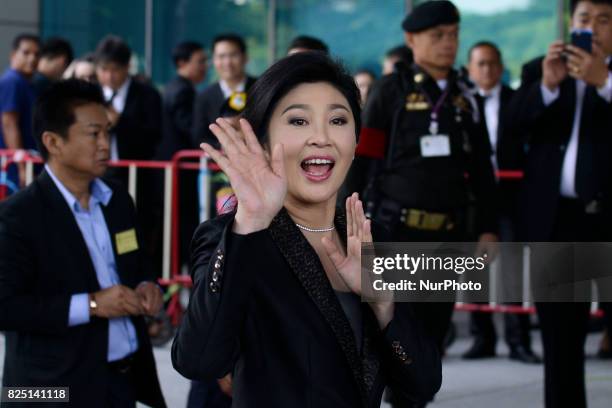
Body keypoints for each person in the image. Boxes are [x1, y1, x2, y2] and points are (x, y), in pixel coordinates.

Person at [172, 52, 441, 407]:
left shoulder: (374, 240)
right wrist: (250, 223)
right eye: (298, 121)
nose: (321, 137)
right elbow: (198, 360)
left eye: (338, 120)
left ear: (355, 142)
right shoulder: (236, 238)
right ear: (263, 141)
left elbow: (423, 384)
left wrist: (383, 303)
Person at [345, 2, 498, 405]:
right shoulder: (390, 91)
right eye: (438, 36)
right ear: (412, 40)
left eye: (453, 34)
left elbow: (483, 170)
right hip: (396, 235)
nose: (448, 44)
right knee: (388, 340)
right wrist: (345, 226)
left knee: (427, 347)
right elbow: (364, 161)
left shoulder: (465, 96)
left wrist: (487, 227)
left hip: (447, 238)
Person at [0, 79, 165, 407]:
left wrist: (148, 285)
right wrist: (91, 305)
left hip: (122, 379)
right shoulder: (19, 216)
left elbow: (136, 260)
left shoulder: (116, 198)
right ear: (53, 141)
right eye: (93, 134)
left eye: (107, 131)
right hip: (50, 390)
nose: (105, 144)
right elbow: (6, 307)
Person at [508, 0, 612, 406]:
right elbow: (510, 130)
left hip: (607, 220)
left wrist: (604, 82)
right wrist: (547, 89)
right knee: (562, 342)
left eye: (604, 20)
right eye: (585, 19)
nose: (593, 28)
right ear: (572, 23)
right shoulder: (542, 70)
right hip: (560, 223)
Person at [464, 41, 540, 364]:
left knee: (512, 268)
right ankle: (482, 338)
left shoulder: (515, 100)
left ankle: (518, 340)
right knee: (473, 268)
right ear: (470, 68)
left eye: (492, 63)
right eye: (480, 64)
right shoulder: (461, 103)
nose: (487, 70)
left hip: (510, 196)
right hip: (472, 197)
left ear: (502, 65)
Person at [95, 35, 162, 162]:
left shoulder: (147, 95)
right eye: (104, 69)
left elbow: (154, 137)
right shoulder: (91, 94)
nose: (109, 76)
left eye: (115, 70)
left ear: (127, 67)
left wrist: (120, 122)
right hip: (97, 169)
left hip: (134, 170)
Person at [192, 33, 257, 147]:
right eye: (221, 56)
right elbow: (200, 137)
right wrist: (225, 147)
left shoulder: (260, 89)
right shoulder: (204, 97)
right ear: (213, 60)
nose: (227, 63)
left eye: (233, 55)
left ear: (245, 57)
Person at [0, 33, 40, 190]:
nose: (32, 58)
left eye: (37, 54)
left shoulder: (27, 84)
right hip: (14, 169)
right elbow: (9, 124)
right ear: (13, 54)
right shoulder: (12, 81)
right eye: (26, 53)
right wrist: (22, 167)